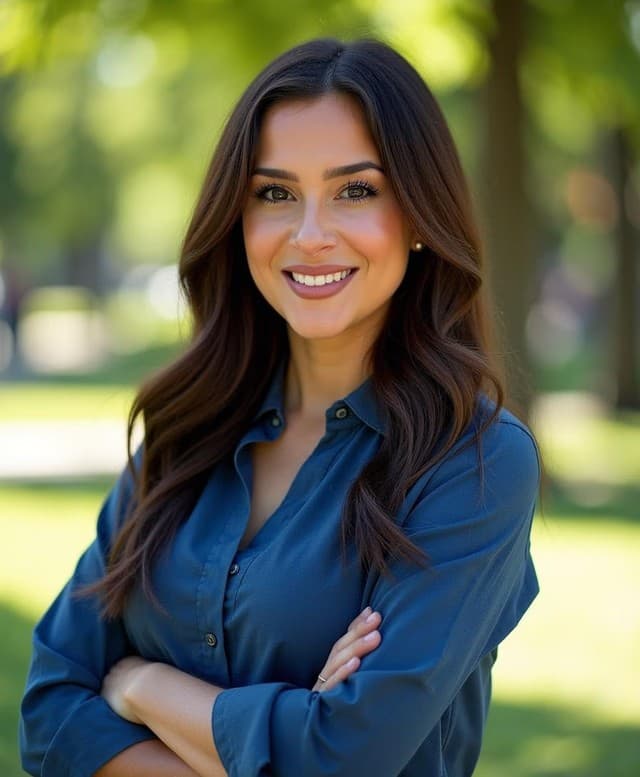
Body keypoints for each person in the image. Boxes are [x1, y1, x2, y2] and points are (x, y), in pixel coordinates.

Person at [20, 37, 541, 777]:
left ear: (421, 211)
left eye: (355, 190)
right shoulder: (183, 432)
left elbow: (342, 759)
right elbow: (48, 714)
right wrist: (282, 732)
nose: (309, 234)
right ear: (238, 218)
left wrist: (140, 682)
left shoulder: (476, 463)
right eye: (274, 193)